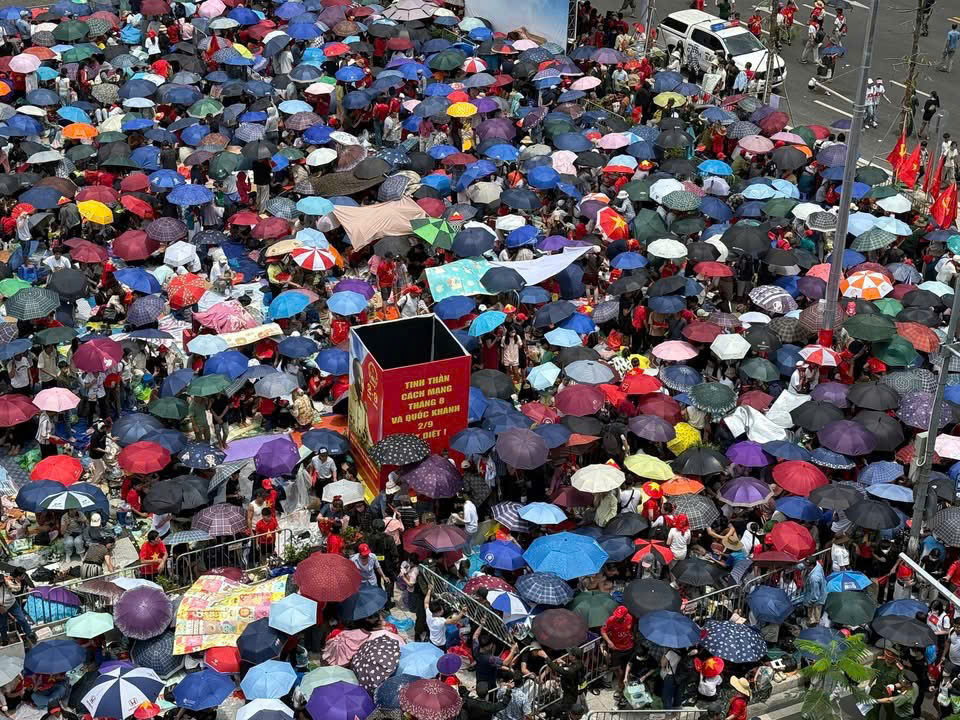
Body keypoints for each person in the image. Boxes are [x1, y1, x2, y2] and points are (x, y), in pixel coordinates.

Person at [0, 568, 36, 645]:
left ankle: (30, 634)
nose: (2, 581)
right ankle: (4, 639)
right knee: (3, 625)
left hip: (12, 604)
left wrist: (10, 582)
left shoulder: (6, 582)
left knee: (22, 619)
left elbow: (16, 589)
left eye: (2, 579)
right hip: (1, 608)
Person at [423, 584, 464, 649]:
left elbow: (426, 602)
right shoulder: (440, 621)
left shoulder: (429, 613)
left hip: (432, 639)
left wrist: (429, 590)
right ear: (437, 612)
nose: (443, 610)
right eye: (441, 609)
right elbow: (454, 620)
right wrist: (462, 612)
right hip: (440, 644)